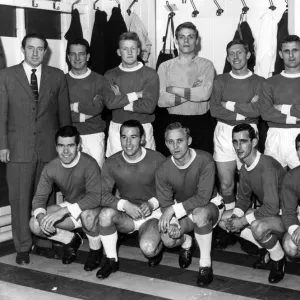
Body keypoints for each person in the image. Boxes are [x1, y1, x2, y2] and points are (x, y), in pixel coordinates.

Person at [0, 33, 71, 265]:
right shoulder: (6, 76)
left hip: (49, 149)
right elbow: (0, 115)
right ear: (22, 49)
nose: (35, 53)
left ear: (45, 51)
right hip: (18, 148)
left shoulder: (57, 76)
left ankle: (44, 242)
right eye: (30, 48)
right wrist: (2, 145)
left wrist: (66, 148)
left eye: (39, 49)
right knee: (20, 199)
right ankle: (22, 246)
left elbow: (64, 116)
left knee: (47, 197)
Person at [155, 122, 224, 286]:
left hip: (210, 205)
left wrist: (172, 210)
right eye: (170, 142)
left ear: (189, 140)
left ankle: (205, 265)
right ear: (166, 144)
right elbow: (165, 201)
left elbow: (202, 198)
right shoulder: (163, 169)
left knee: (200, 214)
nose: (175, 146)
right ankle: (186, 241)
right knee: (167, 238)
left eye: (180, 140)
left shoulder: (205, 159)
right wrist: (172, 222)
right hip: (184, 209)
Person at [96, 120, 165, 279]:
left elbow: (169, 191)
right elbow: (101, 194)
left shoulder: (157, 159)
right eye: (124, 137)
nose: (128, 142)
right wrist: (124, 204)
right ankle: (111, 260)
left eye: (133, 137)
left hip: (153, 214)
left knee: (148, 248)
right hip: (128, 214)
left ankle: (156, 246)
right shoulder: (112, 162)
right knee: (105, 214)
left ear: (142, 139)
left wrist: (151, 203)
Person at [29, 126, 102, 271]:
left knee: (87, 215)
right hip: (72, 208)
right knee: (35, 224)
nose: (66, 151)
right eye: (61, 146)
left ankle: (96, 251)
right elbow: (39, 198)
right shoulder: (51, 167)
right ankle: (71, 240)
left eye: (70, 145)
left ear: (79, 146)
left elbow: (95, 197)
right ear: (56, 147)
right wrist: (42, 217)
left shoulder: (89, 164)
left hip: (94, 209)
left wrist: (64, 211)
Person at [221, 123, 286, 284]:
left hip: (287, 215)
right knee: (225, 221)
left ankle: (278, 258)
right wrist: (236, 216)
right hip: (270, 213)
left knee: (257, 226)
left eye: (243, 141)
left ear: (254, 142)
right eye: (235, 142)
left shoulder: (267, 166)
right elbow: (243, 199)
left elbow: (272, 206)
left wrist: (243, 221)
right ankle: (267, 247)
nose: (238, 146)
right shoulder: (244, 168)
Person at [210, 40, 265, 213]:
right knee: (226, 184)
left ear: (248, 55)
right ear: (227, 57)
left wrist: (229, 104)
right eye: (231, 53)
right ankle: (228, 218)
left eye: (239, 52)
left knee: (248, 182)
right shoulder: (220, 80)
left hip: (248, 131)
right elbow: (214, 109)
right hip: (224, 132)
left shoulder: (260, 81)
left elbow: (257, 111)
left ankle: (243, 219)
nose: (235, 57)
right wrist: (246, 107)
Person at [157, 22, 215, 156]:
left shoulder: (206, 65)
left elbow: (204, 94)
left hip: (200, 122)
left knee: (201, 166)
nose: (186, 41)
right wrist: (192, 91)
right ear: (176, 40)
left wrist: (173, 89)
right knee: (173, 168)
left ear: (197, 40)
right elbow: (161, 100)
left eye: (191, 37)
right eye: (182, 37)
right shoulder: (165, 66)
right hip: (172, 122)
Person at [104, 32, 159, 157]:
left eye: (133, 48)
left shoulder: (150, 74)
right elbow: (109, 103)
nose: (129, 52)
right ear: (119, 52)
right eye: (125, 48)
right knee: (117, 169)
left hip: (143, 127)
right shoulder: (110, 75)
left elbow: (149, 107)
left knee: (146, 170)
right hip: (117, 127)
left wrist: (120, 99)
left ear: (138, 50)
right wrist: (137, 94)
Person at [66, 38, 114, 168]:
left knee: (96, 175)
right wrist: (83, 115)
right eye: (73, 54)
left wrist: (73, 106)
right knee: (73, 179)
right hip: (70, 137)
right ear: (68, 57)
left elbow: (97, 108)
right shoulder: (62, 81)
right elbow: (62, 112)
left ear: (87, 56)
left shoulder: (99, 80)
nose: (77, 58)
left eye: (81, 54)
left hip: (94, 135)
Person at [260, 35, 300, 170]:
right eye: (286, 51)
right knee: (273, 183)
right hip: (275, 135)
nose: (291, 55)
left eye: (295, 50)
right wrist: (295, 118)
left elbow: (273, 111)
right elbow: (266, 113)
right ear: (280, 54)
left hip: (299, 136)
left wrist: (282, 108)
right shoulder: (270, 82)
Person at [281, 134, 300, 259]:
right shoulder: (292, 177)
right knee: (290, 245)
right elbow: (288, 212)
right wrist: (296, 229)